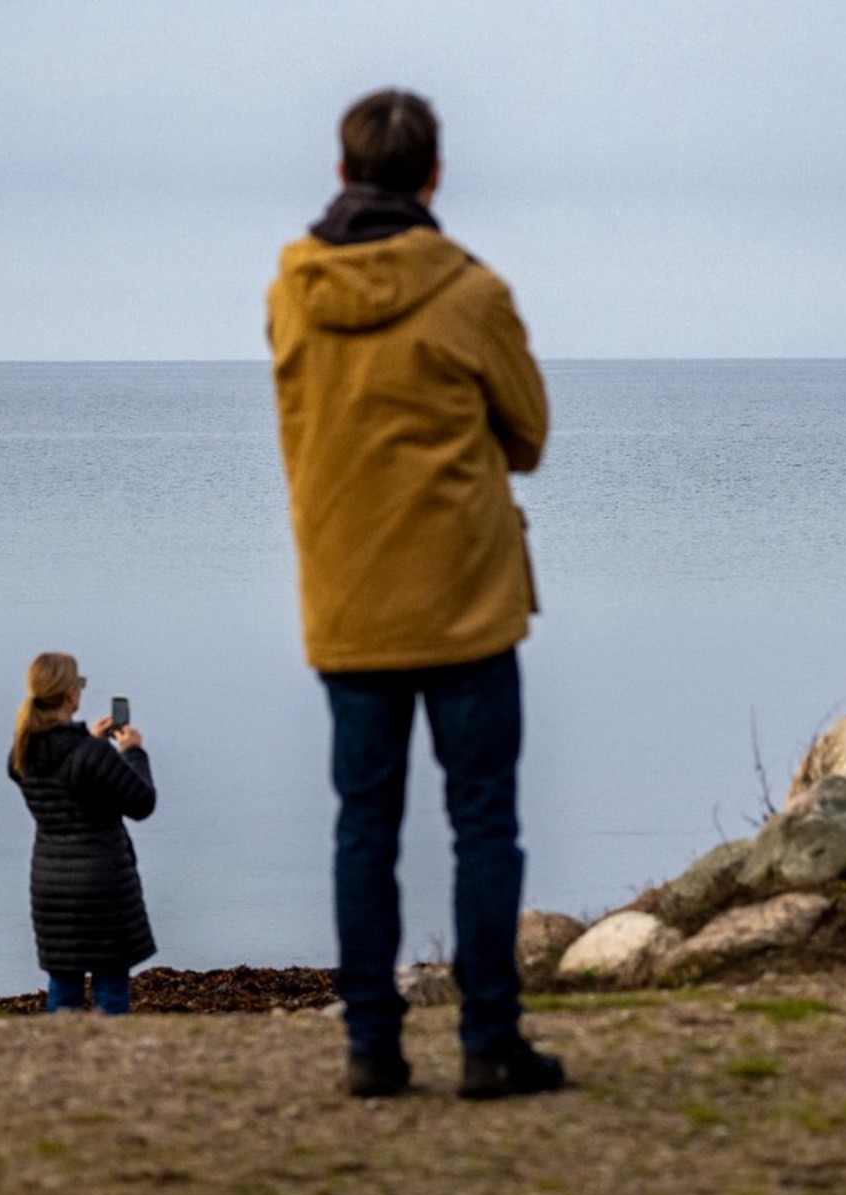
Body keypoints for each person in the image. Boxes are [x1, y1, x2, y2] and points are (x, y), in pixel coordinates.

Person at [266, 88, 561, 1099]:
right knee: (483, 823)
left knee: (364, 826)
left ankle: (371, 1047)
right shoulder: (472, 293)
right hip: (467, 595)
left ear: (343, 174)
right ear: (434, 175)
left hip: (349, 598)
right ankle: (488, 1041)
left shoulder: (292, 290)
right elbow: (527, 435)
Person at [8, 652, 157, 1014]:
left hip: (50, 884)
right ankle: (107, 1066)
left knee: (63, 985)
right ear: (72, 694)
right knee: (109, 987)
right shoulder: (90, 755)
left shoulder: (23, 752)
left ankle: (60, 1061)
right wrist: (132, 752)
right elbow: (142, 802)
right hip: (101, 885)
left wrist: (88, 739)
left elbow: (64, 773)